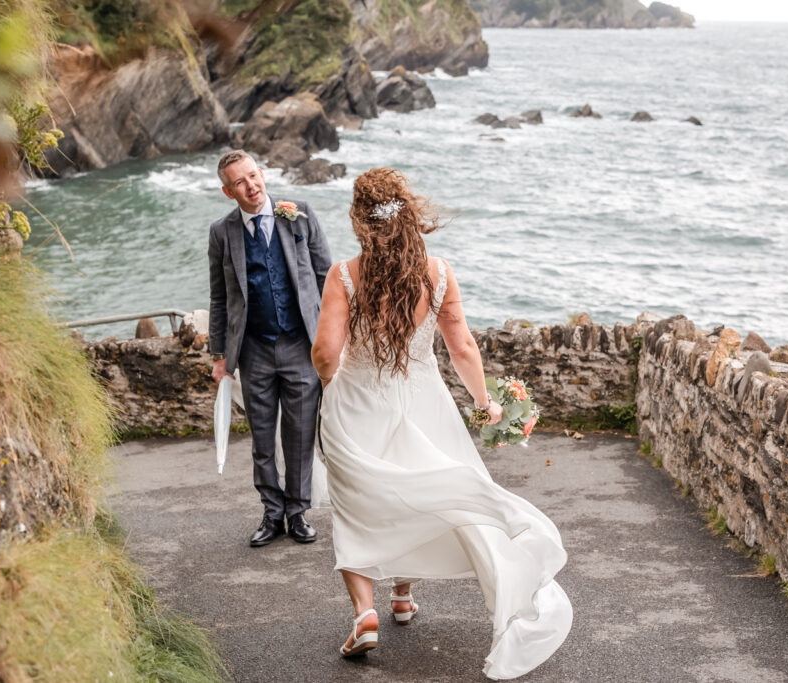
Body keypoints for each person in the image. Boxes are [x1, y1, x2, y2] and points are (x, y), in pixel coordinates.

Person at [311, 168, 572, 679]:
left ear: (360, 220)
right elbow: (462, 347)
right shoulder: (439, 272)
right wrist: (485, 405)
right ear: (408, 212)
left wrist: (332, 383)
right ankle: (403, 596)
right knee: (422, 492)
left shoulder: (345, 274)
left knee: (361, 500)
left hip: (358, 400)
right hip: (423, 400)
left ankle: (366, 613)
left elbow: (324, 352)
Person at [208, 150, 332, 547]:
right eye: (240, 182)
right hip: (254, 349)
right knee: (262, 438)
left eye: (254, 176)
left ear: (262, 173)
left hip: (301, 344)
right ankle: (271, 512)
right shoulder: (221, 232)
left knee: (299, 433)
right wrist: (220, 355)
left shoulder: (300, 213)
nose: (252, 186)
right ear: (229, 191)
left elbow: (325, 276)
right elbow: (219, 298)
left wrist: (332, 340)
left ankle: (297, 513)